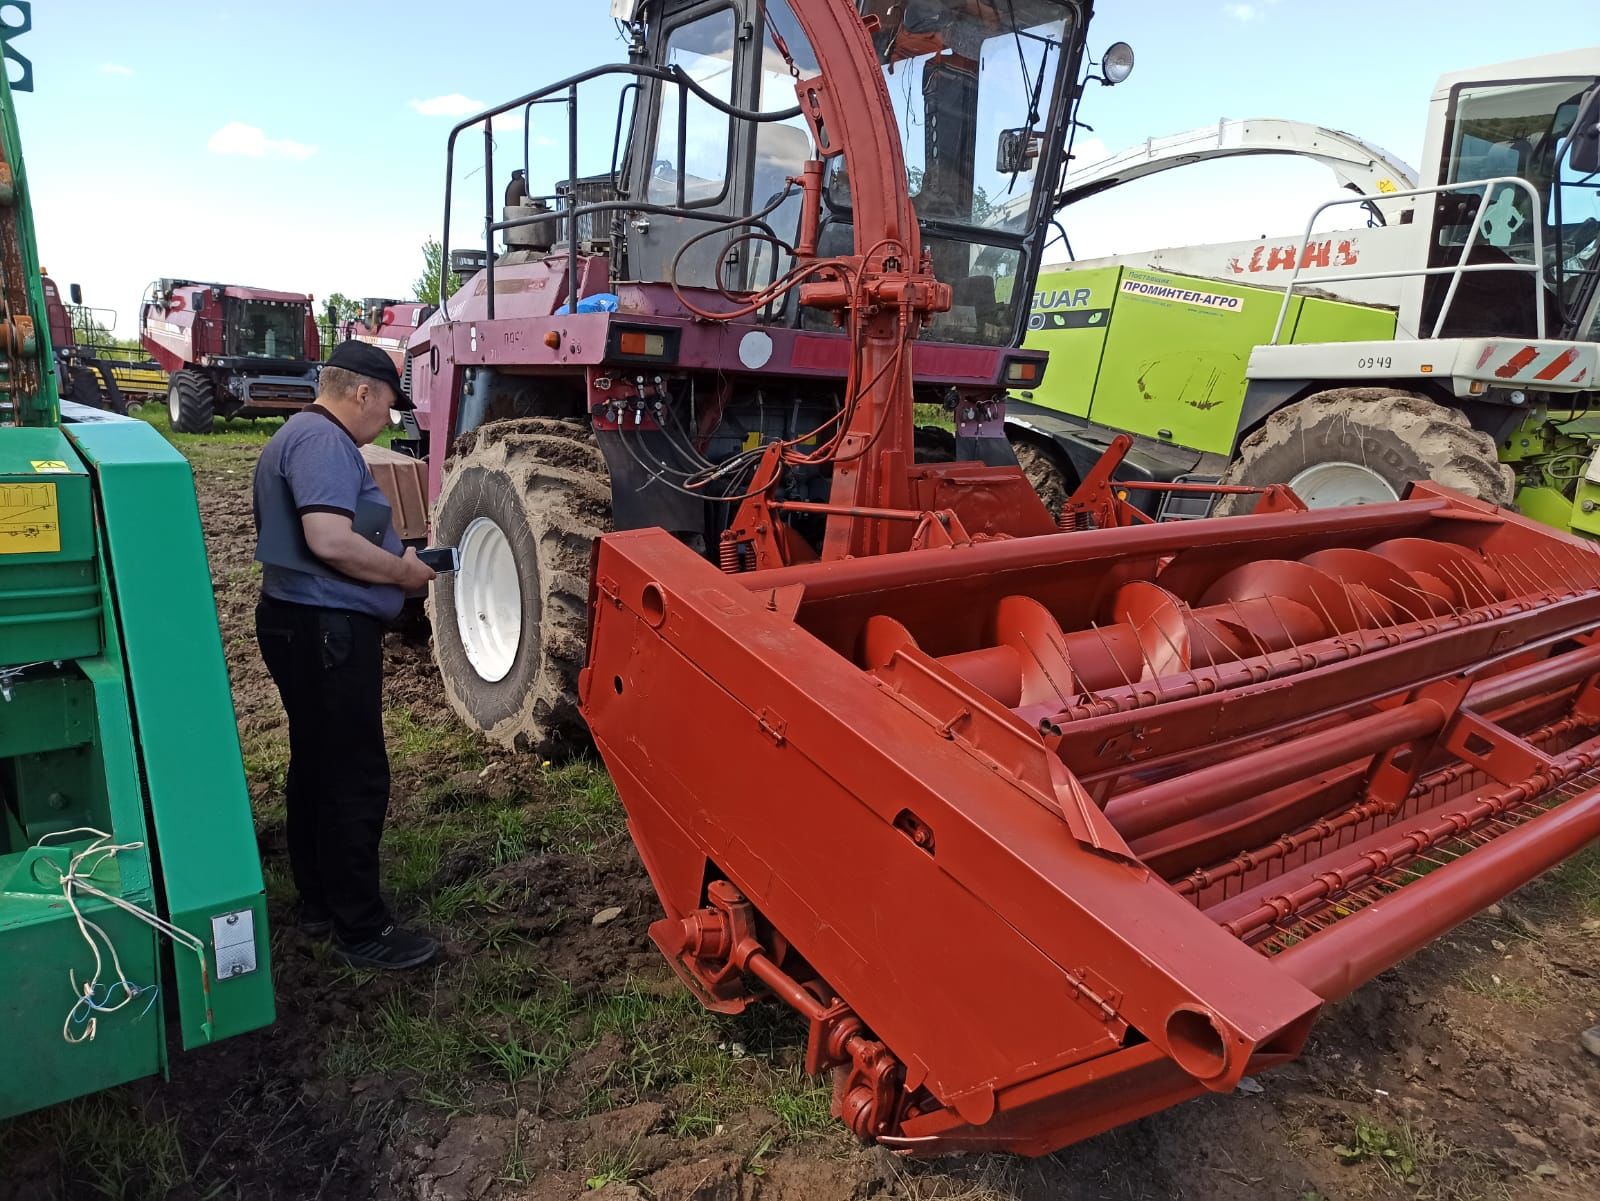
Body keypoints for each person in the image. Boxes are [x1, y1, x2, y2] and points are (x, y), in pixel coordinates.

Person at [252, 341, 438, 970]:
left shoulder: (300, 436)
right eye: (388, 404)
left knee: (317, 765)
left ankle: (319, 902)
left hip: (302, 622)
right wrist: (404, 575)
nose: (389, 419)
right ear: (363, 391)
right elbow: (329, 539)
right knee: (354, 775)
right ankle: (363, 929)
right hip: (324, 627)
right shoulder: (323, 441)